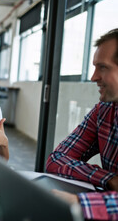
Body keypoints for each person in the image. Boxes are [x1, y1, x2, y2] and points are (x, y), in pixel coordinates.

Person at [46, 28, 118, 220]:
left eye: (102, 67)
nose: (93, 77)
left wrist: (80, 204)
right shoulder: (104, 110)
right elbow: (57, 159)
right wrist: (108, 179)